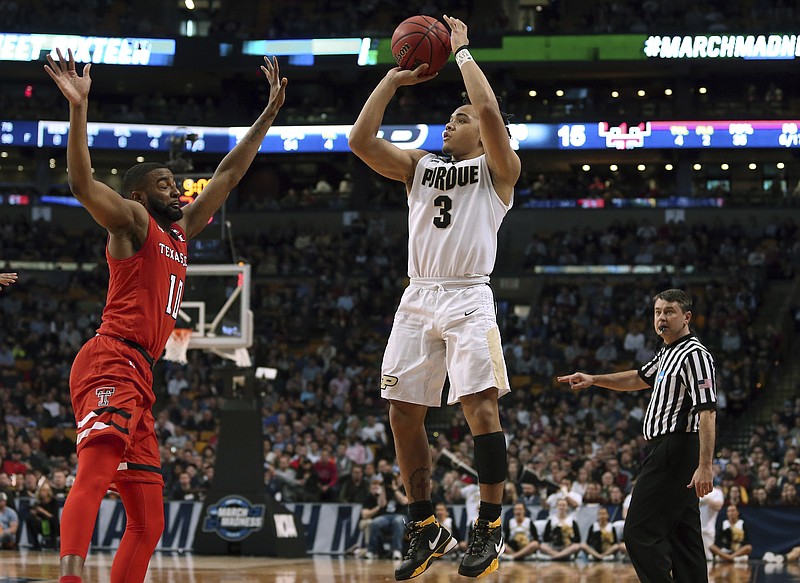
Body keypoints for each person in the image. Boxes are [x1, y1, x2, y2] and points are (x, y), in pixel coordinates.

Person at [44, 48, 287, 583]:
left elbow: (226, 175)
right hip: (110, 358)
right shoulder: (130, 222)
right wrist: (79, 109)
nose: (176, 191)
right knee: (97, 468)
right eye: (164, 185)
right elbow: (83, 186)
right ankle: (69, 578)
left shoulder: (180, 231)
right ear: (138, 195)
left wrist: (268, 115)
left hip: (141, 372)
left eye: (176, 185)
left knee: (149, 519)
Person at [348, 14, 519, 581]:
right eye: (449, 116)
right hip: (418, 296)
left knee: (480, 408)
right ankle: (425, 524)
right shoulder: (420, 167)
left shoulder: (499, 171)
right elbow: (359, 141)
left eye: (459, 118)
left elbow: (490, 113)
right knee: (401, 414)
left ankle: (489, 525)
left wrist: (464, 54)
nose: (451, 122)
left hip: (469, 297)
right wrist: (393, 81)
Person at [558, 288, 717, 583]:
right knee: (684, 537)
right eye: (658, 312)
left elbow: (707, 411)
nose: (662, 318)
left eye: (669, 311)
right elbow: (637, 377)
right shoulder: (667, 352)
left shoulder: (695, 355)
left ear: (687, 317)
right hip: (668, 449)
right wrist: (594, 379)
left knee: (637, 532)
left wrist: (706, 465)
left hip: (676, 448)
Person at [699, 485, 725, 560]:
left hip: (707, 532)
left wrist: (705, 497)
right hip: (692, 529)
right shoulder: (691, 490)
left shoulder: (716, 492)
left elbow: (718, 506)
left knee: (708, 559)